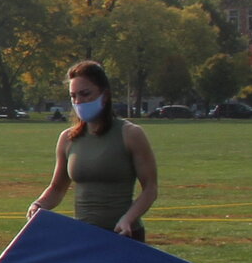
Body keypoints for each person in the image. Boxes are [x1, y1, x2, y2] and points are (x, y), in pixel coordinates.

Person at [30, 59, 157, 239]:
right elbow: (57, 188)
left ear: (104, 95)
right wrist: (38, 205)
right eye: (73, 96)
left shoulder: (131, 134)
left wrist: (128, 218)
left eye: (85, 94)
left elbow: (150, 188)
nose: (79, 101)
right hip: (85, 236)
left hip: (124, 236)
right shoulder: (67, 139)